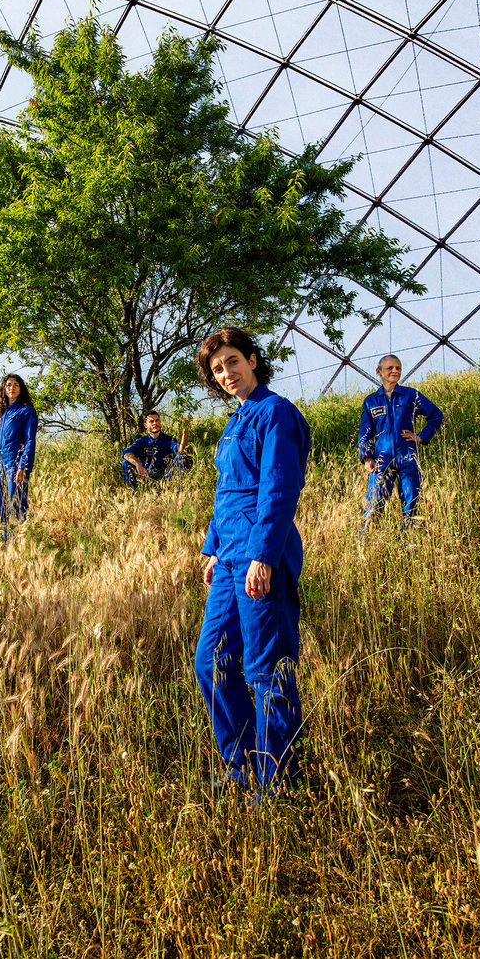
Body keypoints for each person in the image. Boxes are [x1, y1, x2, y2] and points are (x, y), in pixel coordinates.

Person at [195, 328, 311, 798]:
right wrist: (212, 547)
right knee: (212, 662)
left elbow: (279, 489)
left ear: (253, 360)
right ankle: (243, 768)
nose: (227, 373)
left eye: (233, 361)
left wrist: (263, 555)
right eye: (217, 369)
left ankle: (277, 784)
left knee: (267, 672)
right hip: (228, 560)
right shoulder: (235, 421)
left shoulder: (274, 412)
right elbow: (227, 491)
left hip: (260, 557)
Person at [359, 354, 443, 528]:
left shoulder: (411, 395)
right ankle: (366, 539)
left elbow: (436, 414)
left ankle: (408, 540)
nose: (395, 371)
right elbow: (365, 432)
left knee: (411, 504)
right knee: (373, 505)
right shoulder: (371, 401)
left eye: (398, 368)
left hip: (407, 456)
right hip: (381, 459)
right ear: (379, 372)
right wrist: (367, 457)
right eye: (390, 368)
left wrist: (421, 436)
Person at [0, 374, 39, 539]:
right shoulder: (0, 417)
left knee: (16, 504)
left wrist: (24, 465)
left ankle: (21, 543)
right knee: (2, 506)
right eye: (9, 385)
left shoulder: (26, 411)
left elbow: (30, 440)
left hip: (15, 464)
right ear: (4, 389)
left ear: (20, 389)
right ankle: (8, 544)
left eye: (16, 384)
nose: (12, 388)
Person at [121, 411, 190, 489]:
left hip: (166, 476)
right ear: (145, 425)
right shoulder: (142, 441)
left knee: (181, 458)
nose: (155, 423)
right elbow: (126, 453)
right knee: (126, 462)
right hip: (147, 476)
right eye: (151, 421)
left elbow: (181, 451)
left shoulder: (169, 440)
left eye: (157, 420)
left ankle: (177, 490)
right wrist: (138, 464)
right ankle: (133, 491)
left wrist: (185, 434)